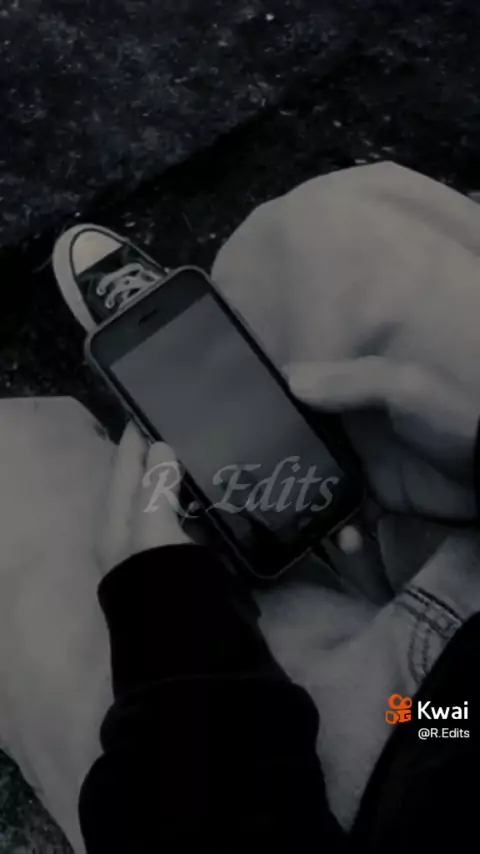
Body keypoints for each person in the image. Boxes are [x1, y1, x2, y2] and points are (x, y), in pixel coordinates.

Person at [2, 161, 480, 851]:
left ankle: (176, 359)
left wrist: (169, 637)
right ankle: (186, 346)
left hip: (385, 745)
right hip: (451, 710)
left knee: (12, 474)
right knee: (329, 236)